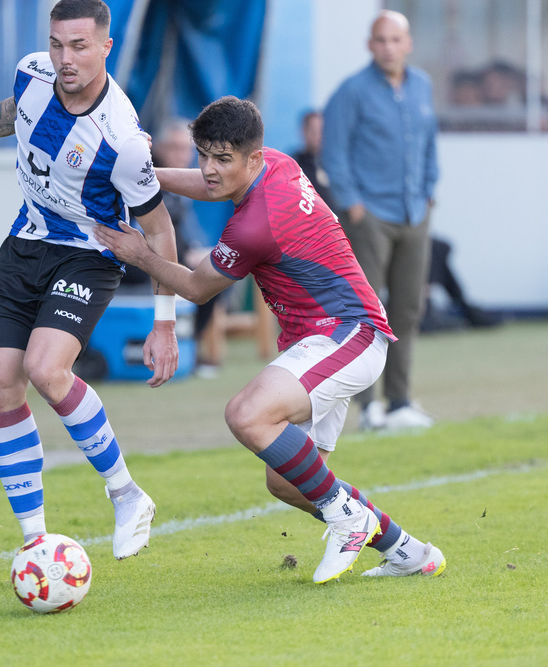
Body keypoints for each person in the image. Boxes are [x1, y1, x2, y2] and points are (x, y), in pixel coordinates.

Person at [96, 95, 446, 583]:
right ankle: (410, 552)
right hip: (323, 341)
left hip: (349, 335)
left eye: (223, 159)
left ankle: (348, 518)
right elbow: (210, 184)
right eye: (205, 155)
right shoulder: (274, 164)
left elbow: (196, 289)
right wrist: (147, 176)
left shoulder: (254, 225)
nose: (210, 169)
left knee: (245, 414)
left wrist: (140, 254)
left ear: (252, 158)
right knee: (289, 482)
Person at [0, 0, 178, 560]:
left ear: (106, 48)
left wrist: (164, 323)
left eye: (78, 46)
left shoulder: (122, 139)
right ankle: (35, 542)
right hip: (24, 246)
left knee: (45, 369)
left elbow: (161, 230)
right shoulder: (34, 71)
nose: (64, 58)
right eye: (57, 44)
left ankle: (126, 494)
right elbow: (12, 111)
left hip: (87, 257)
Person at [321, 10, 438, 431]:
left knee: (408, 307)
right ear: (370, 45)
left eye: (395, 40)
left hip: (414, 212)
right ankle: (369, 405)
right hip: (370, 216)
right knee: (368, 311)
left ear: (407, 44)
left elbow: (429, 145)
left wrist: (429, 193)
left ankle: (400, 400)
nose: (388, 47)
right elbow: (332, 153)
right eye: (380, 40)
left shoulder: (422, 85)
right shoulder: (351, 92)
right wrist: (353, 206)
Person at [152, 117, 227, 376]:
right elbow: (151, 233)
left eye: (186, 149)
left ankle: (187, 349)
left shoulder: (182, 186)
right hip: (137, 261)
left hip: (169, 258)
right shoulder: (148, 180)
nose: (180, 154)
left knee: (218, 275)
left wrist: (196, 251)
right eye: (173, 147)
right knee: (207, 280)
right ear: (158, 148)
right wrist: (189, 256)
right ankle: (185, 350)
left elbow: (185, 234)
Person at [291, 110, 338, 212]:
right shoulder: (293, 165)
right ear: (304, 131)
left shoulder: (335, 164)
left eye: (322, 131)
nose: (318, 136)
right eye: (313, 131)